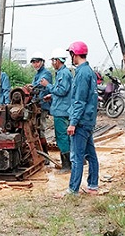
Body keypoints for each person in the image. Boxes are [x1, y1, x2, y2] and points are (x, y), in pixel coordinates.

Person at [57, 41, 100, 198]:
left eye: (71, 54)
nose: (71, 58)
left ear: (74, 54)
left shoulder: (82, 73)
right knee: (91, 154)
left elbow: (79, 101)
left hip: (81, 121)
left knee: (76, 157)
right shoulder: (89, 71)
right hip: (88, 119)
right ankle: (93, 186)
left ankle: (73, 190)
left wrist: (73, 123)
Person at [40, 48, 72, 173]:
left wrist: (47, 85)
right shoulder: (62, 73)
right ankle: (71, 162)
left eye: (53, 60)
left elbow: (62, 91)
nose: (52, 63)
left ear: (58, 60)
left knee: (62, 137)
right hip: (62, 109)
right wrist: (51, 96)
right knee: (67, 137)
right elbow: (62, 91)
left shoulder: (63, 74)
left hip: (61, 111)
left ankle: (66, 166)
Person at [29, 51, 53, 164]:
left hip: (42, 105)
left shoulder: (46, 74)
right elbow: (34, 87)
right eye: (33, 62)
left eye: (37, 62)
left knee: (41, 130)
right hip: (35, 105)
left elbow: (39, 87)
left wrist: (32, 88)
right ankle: (37, 154)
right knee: (34, 130)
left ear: (42, 62)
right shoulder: (36, 75)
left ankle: (46, 156)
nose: (35, 64)